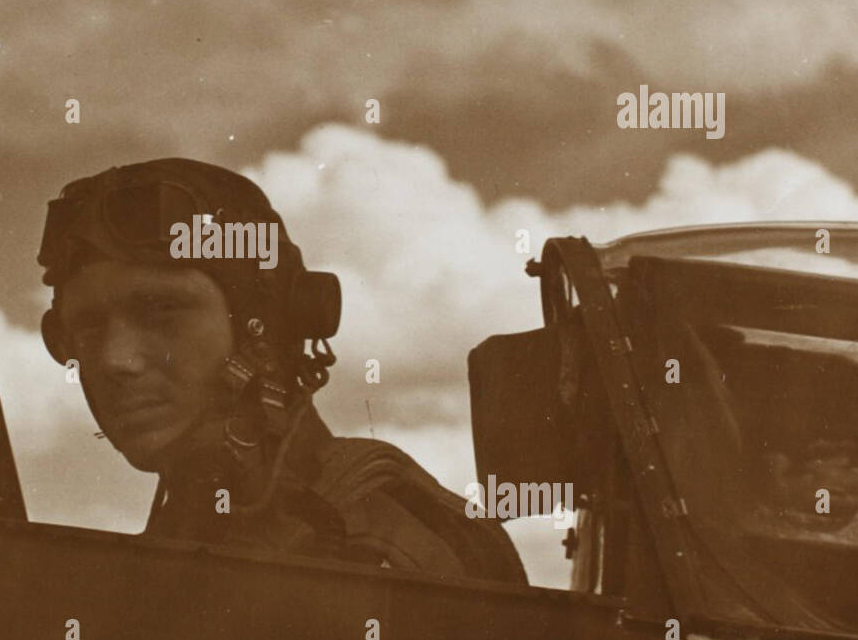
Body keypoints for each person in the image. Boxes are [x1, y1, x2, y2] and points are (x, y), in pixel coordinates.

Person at [37, 158, 526, 584]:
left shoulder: (384, 547)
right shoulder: (187, 536)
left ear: (264, 330)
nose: (114, 360)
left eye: (162, 311)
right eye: (87, 327)